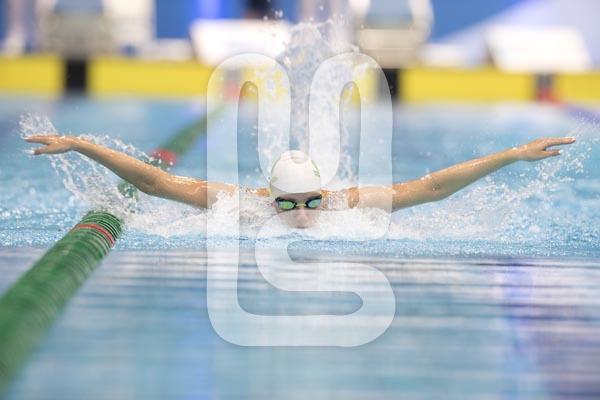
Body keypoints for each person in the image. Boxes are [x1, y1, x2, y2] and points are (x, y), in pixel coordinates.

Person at [25, 134, 576, 229]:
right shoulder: (243, 205)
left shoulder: (346, 205)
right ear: (269, 197)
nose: (303, 214)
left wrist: (514, 154)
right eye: (288, 205)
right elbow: (153, 183)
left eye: (311, 201)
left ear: (325, 192)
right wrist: (80, 145)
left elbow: (432, 188)